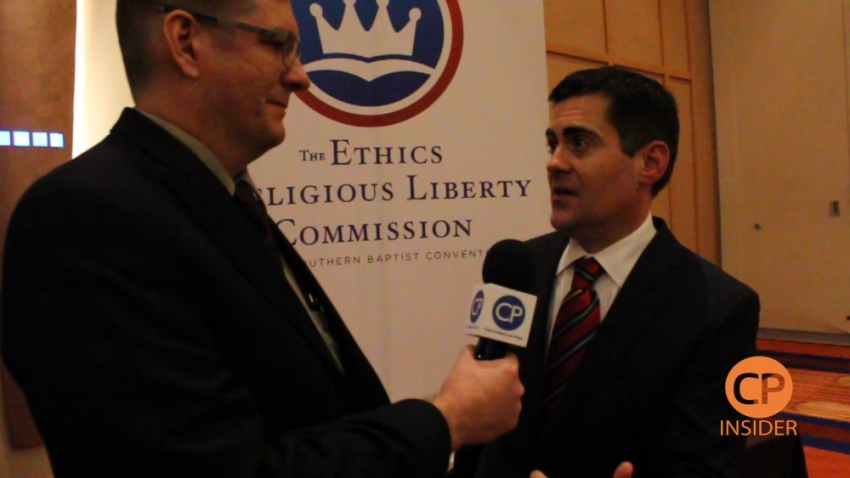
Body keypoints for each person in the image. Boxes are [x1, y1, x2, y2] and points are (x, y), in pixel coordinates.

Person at [0, 1, 525, 476]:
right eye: (279, 45)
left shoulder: (214, 197)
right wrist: (446, 420)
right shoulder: (89, 217)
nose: (301, 78)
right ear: (185, 42)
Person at [455, 67, 760, 478]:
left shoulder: (717, 307)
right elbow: (482, 429)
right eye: (552, 143)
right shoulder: (515, 267)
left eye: (579, 143)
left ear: (649, 163)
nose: (554, 163)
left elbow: (705, 465)